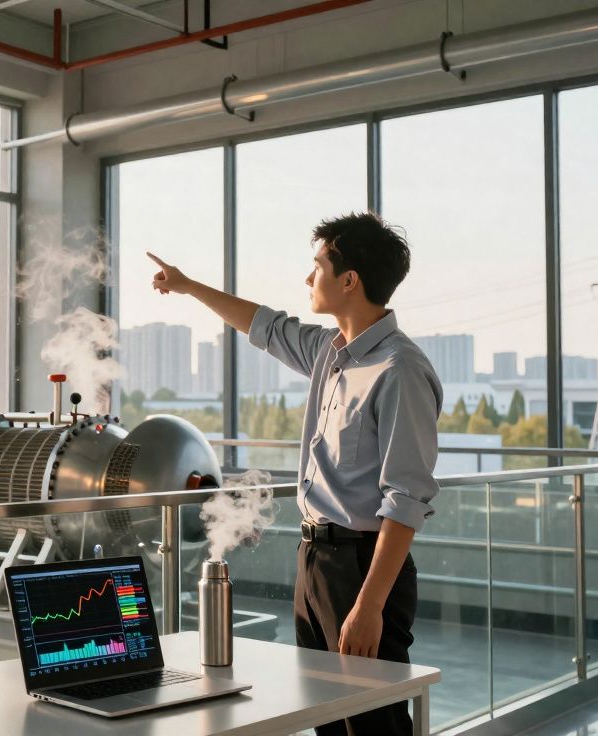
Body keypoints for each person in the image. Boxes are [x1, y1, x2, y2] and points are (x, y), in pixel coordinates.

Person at [148, 212, 442, 736]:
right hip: (315, 561)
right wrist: (188, 286)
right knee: (325, 717)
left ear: (349, 280)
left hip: (361, 568)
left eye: (318, 266)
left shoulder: (399, 370)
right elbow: (263, 324)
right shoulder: (329, 355)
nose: (309, 279)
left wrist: (369, 606)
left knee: (371, 724)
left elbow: (407, 498)